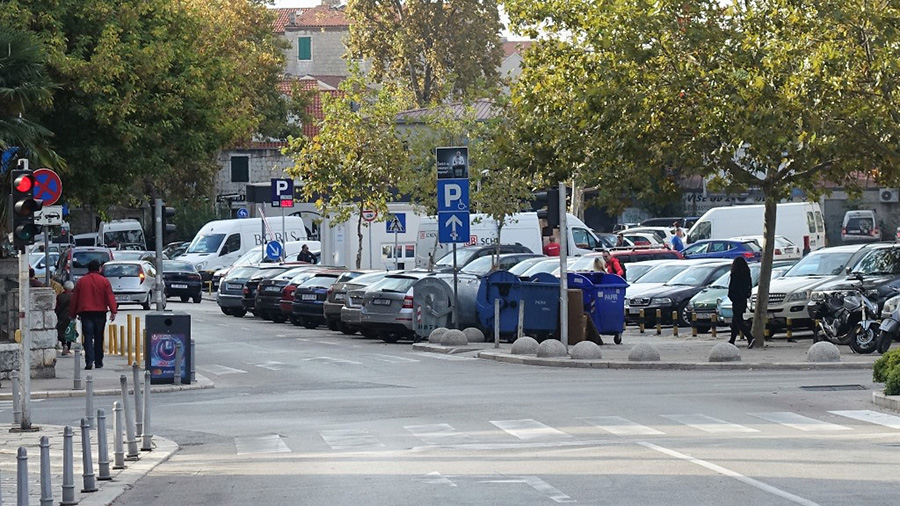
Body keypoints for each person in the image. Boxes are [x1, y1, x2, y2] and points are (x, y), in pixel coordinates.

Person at [70, 259, 117, 370]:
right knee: (99, 337)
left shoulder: (81, 281)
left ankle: (89, 361)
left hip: (86, 313)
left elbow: (75, 298)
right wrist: (113, 311)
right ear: (99, 268)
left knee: (88, 337)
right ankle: (99, 361)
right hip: (100, 313)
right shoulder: (104, 281)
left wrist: (72, 313)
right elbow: (109, 296)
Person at [728, 256, 755, 347]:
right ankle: (732, 340)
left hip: (736, 299)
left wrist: (731, 296)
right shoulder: (747, 273)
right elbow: (749, 286)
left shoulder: (735, 274)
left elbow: (732, 287)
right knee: (735, 321)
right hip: (743, 299)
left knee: (738, 320)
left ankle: (750, 337)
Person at [55, 281, 75, 356]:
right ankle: (67, 347)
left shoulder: (60, 296)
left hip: (61, 316)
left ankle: (64, 345)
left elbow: (57, 307)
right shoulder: (74, 296)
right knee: (70, 331)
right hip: (71, 315)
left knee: (61, 331)